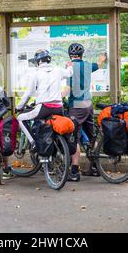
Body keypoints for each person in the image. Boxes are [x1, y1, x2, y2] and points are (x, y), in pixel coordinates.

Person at [65, 43, 107, 181]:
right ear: (82, 55)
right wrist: (102, 58)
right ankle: (95, 167)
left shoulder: (70, 67)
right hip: (88, 104)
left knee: (74, 138)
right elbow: (98, 64)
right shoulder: (88, 65)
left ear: (70, 55)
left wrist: (57, 97)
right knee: (91, 136)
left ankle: (74, 172)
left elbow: (68, 89)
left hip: (76, 106)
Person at [16, 49, 73, 149]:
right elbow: (69, 73)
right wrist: (69, 65)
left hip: (43, 108)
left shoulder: (35, 74)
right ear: (49, 59)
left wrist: (19, 107)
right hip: (59, 107)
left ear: (38, 61)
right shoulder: (58, 70)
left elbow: (28, 93)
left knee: (20, 118)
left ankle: (33, 142)